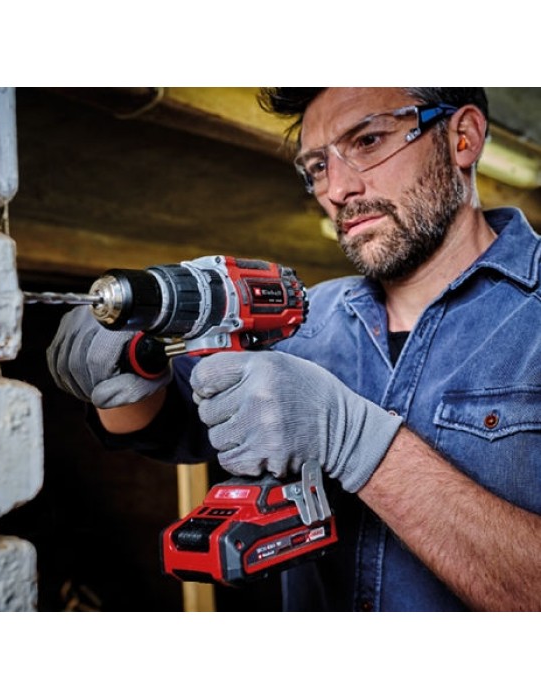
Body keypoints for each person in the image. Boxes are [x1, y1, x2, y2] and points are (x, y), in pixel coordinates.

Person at [47, 88, 541, 611]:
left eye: (368, 141)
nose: (338, 190)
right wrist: (119, 371)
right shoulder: (301, 319)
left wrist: (356, 442)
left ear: (462, 137)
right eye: (318, 167)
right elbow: (162, 420)